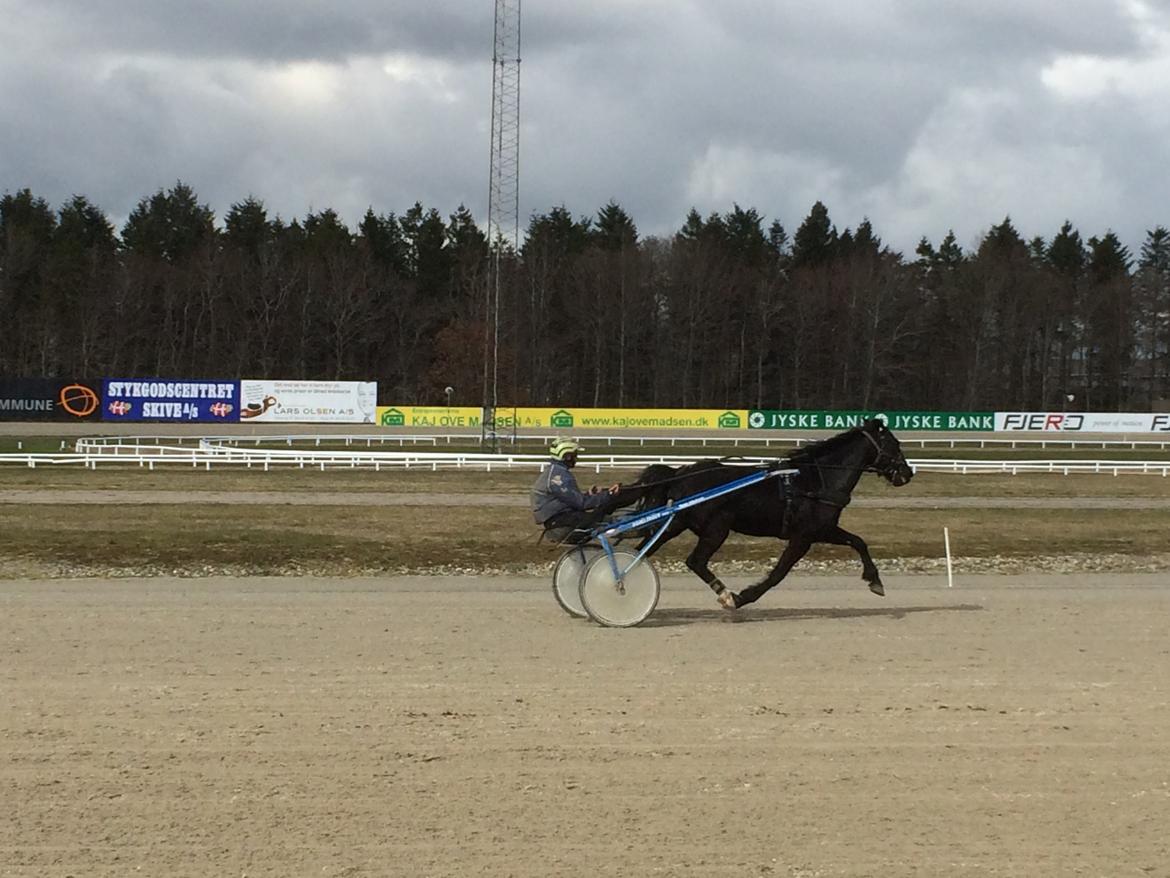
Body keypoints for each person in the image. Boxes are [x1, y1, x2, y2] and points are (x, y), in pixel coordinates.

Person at [531, 438, 619, 540]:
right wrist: (609, 494)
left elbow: (573, 500)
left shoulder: (555, 472)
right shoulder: (558, 476)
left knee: (600, 515)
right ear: (567, 456)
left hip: (559, 519)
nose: (576, 458)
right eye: (574, 455)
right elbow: (581, 503)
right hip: (561, 523)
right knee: (604, 518)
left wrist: (590, 495)